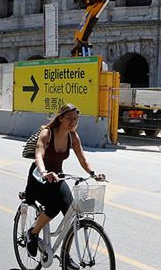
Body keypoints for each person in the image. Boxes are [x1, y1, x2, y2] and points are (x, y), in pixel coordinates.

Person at [25, 103, 105, 258]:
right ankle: (33, 233)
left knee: (71, 211)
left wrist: (93, 173)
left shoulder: (72, 136)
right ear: (60, 118)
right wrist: (44, 172)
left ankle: (65, 254)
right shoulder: (47, 133)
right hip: (39, 177)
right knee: (54, 206)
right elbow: (38, 156)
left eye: (75, 119)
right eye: (69, 118)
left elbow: (83, 159)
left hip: (57, 177)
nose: (73, 122)